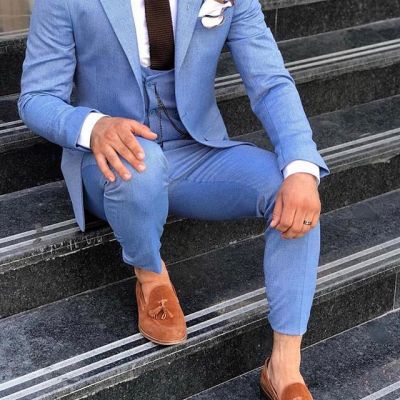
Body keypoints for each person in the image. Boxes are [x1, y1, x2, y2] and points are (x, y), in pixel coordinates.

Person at [18, 0, 330, 398]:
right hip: (111, 158)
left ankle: (284, 365)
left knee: (291, 189)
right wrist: (93, 126)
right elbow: (37, 97)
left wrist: (301, 166)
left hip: (194, 149)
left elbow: (269, 80)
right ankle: (151, 276)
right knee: (140, 165)